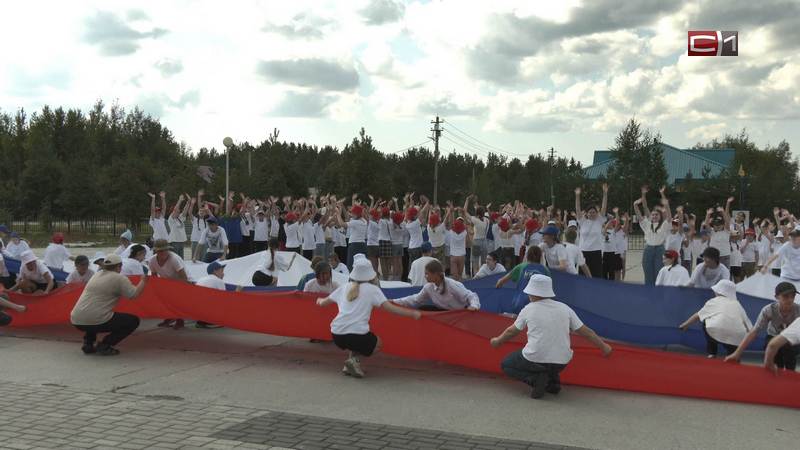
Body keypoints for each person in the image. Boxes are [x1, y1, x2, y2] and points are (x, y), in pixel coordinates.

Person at [490, 274, 612, 398]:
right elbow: (586, 332)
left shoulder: (528, 309)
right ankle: (552, 383)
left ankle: (535, 379)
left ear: (533, 293)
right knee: (550, 362)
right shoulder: (565, 308)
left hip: (535, 358)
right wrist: (604, 346)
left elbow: (512, 331)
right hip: (561, 362)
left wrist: (498, 341)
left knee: (506, 364)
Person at [316, 258, 421, 378]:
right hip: (356, 335)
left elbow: (323, 303)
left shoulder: (345, 287)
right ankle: (354, 361)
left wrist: (318, 300)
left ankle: (349, 364)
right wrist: (412, 314)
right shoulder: (373, 290)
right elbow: (391, 309)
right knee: (378, 343)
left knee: (355, 339)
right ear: (371, 275)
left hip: (337, 335)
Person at [70, 254, 147, 355]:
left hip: (76, 319)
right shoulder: (119, 278)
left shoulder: (96, 275)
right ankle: (105, 345)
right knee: (133, 321)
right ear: (119, 266)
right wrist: (143, 281)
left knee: (94, 313)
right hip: (96, 319)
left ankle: (88, 343)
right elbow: (133, 295)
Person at [725, 282, 800, 371]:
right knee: (772, 348)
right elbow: (754, 332)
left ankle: (790, 372)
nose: (790, 300)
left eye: (793, 296)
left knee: (787, 347)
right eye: (786, 296)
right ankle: (776, 369)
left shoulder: (798, 309)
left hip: (790, 342)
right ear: (776, 297)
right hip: (773, 336)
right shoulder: (768, 310)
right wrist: (737, 353)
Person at [679, 280, 752, 358]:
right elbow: (747, 324)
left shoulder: (713, 301)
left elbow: (698, 315)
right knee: (733, 342)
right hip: (737, 336)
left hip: (716, 332)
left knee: (705, 320)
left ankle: (712, 353)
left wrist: (685, 324)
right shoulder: (737, 304)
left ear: (719, 292)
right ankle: (733, 355)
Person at [392, 260, 480, 311]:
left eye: (427, 274)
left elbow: (470, 296)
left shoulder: (452, 285)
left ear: (436, 274)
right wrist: (393, 302)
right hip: (443, 313)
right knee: (422, 309)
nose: (425, 276)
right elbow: (414, 300)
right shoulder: (428, 287)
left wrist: (473, 306)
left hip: (459, 314)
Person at [633, 186, 671, 285]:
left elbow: (669, 214)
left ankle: (658, 292)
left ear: (660, 216)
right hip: (648, 249)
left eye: (656, 215)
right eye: (653, 215)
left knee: (659, 272)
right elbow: (642, 211)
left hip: (660, 249)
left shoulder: (664, 225)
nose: (654, 216)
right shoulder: (647, 224)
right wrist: (637, 203)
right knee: (648, 272)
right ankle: (649, 292)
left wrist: (663, 195)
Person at [149, 239, 189, 329]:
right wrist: (157, 290)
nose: (163, 252)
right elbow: (154, 278)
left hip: (183, 281)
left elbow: (184, 278)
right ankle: (170, 317)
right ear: (156, 251)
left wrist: (173, 288)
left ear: (168, 249)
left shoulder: (174, 259)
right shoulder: (152, 261)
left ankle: (180, 320)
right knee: (162, 297)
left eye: (165, 250)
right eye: (160, 251)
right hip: (167, 282)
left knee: (176, 298)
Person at [574, 184, 608, 277]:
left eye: (594, 212)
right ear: (587, 213)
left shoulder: (599, 221)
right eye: (590, 212)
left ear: (597, 213)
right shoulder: (582, 221)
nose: (592, 214)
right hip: (583, 252)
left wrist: (605, 193)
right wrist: (577, 195)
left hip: (596, 252)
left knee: (597, 276)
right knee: (583, 276)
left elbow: (604, 207)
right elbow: (577, 209)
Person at [167, 194, 192, 259]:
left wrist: (188, 202)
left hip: (181, 242)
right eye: (177, 210)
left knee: (180, 259)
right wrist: (180, 200)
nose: (179, 211)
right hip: (174, 242)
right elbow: (175, 210)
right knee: (175, 259)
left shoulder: (180, 218)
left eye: (179, 210)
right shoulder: (171, 219)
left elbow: (185, 211)